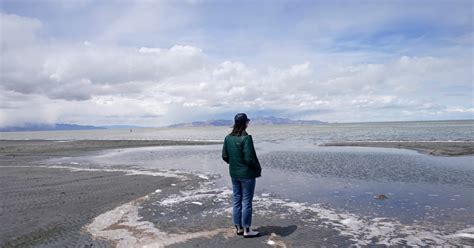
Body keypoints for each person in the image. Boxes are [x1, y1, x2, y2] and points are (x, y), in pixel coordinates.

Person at [222, 113, 262, 238]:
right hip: (247, 175)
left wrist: (234, 163)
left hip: (234, 173)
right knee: (246, 202)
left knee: (236, 200)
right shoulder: (246, 138)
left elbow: (225, 156)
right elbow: (249, 158)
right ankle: (247, 230)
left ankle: (238, 228)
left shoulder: (228, 138)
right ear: (245, 123)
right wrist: (257, 168)